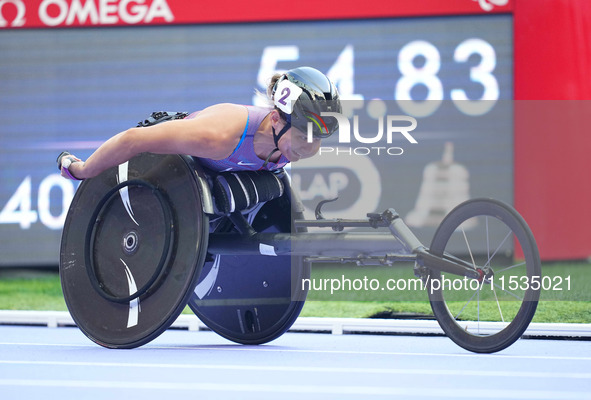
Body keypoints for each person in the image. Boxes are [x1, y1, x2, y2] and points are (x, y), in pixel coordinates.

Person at [58, 66, 341, 180]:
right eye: (305, 136)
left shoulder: (290, 142)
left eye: (319, 139)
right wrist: (82, 171)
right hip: (167, 167)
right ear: (276, 119)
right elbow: (133, 139)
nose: (310, 148)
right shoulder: (219, 135)